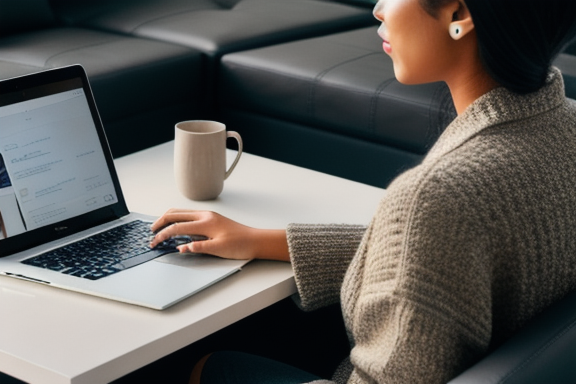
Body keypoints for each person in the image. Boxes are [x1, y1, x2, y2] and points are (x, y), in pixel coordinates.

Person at [150, 0, 576, 383]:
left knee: (190, 362)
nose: (377, 9)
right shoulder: (564, 127)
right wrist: (262, 240)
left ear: (458, 15)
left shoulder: (437, 197)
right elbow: (438, 253)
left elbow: (432, 230)